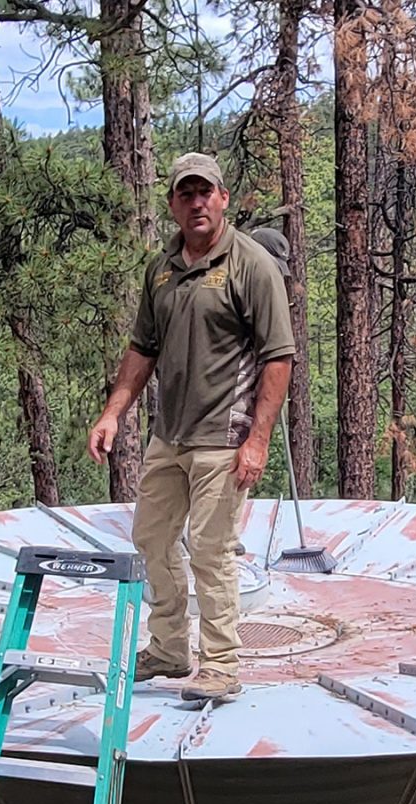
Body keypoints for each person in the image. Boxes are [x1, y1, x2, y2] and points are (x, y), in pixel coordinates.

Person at [87, 153, 296, 702]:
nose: (197, 202)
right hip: (169, 435)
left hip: (224, 438)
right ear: (174, 205)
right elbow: (142, 349)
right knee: (152, 538)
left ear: (223, 198)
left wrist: (258, 440)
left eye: (206, 192)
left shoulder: (252, 265)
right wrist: (113, 412)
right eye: (186, 194)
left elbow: (279, 357)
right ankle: (170, 647)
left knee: (211, 549)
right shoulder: (161, 269)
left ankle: (221, 664)